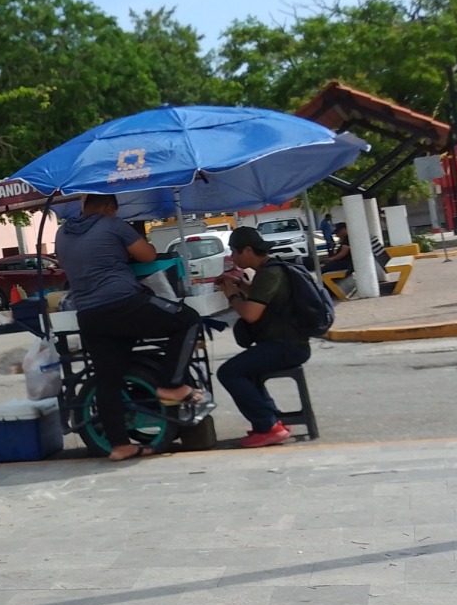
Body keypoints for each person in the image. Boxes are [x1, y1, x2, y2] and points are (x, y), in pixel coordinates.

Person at [57, 193, 205, 462]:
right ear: (108, 207)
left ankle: (119, 445)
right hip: (124, 303)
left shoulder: (61, 234)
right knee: (188, 320)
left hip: (89, 315)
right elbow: (147, 255)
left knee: (108, 380)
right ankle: (172, 385)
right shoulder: (111, 224)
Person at [217, 227, 311, 448]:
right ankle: (270, 420)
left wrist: (232, 296)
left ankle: (268, 426)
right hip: (286, 343)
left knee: (229, 372)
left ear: (248, 250)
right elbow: (263, 297)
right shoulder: (269, 270)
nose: (233, 257)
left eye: (235, 251)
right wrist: (240, 285)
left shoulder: (269, 273)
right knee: (246, 370)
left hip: (286, 346)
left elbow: (250, 314)